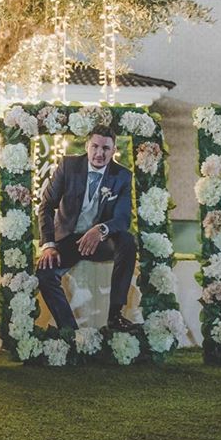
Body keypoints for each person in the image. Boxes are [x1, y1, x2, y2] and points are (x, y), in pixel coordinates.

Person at [36, 125, 139, 332]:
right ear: (87, 145)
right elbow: (46, 206)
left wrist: (100, 230)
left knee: (127, 241)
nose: (99, 153)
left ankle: (115, 316)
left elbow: (122, 219)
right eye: (95, 146)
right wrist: (48, 244)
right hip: (68, 240)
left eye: (106, 149)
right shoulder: (68, 165)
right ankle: (70, 331)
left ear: (114, 150)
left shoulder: (122, 176)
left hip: (100, 242)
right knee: (45, 274)